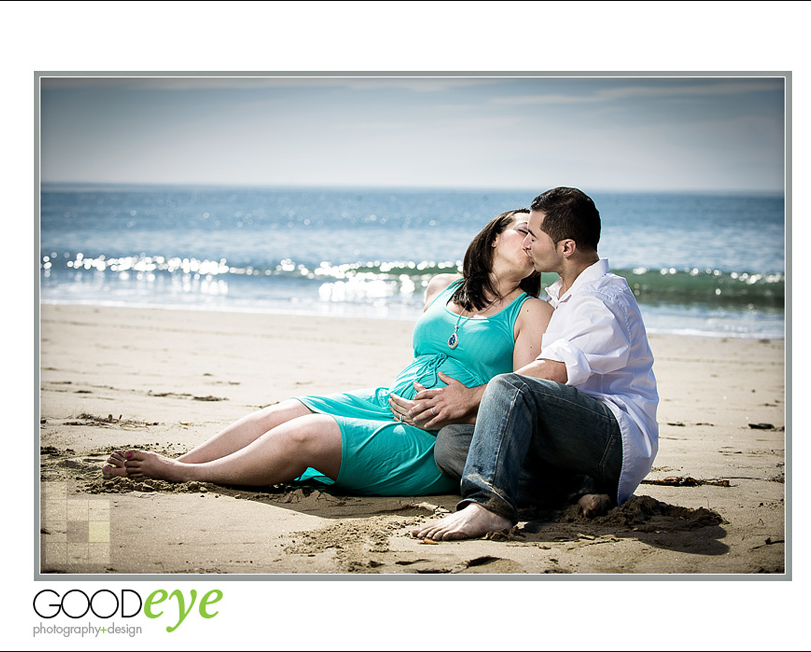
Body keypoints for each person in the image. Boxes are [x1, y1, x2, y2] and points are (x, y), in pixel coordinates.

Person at [103, 209, 553, 497]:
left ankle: (183, 475)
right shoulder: (442, 287)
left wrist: (461, 405)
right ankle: (184, 462)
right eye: (523, 231)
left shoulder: (532, 311)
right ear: (494, 236)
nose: (532, 242)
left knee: (307, 435)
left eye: (539, 238)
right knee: (284, 412)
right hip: (386, 400)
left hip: (436, 437)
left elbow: (520, 400)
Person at [394, 187, 659, 540]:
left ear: (566, 247)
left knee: (509, 384)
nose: (527, 244)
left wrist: (470, 398)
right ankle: (574, 493)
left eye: (534, 236)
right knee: (453, 443)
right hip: (569, 436)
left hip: (612, 439)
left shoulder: (602, 300)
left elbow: (553, 371)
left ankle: (490, 507)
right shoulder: (565, 294)